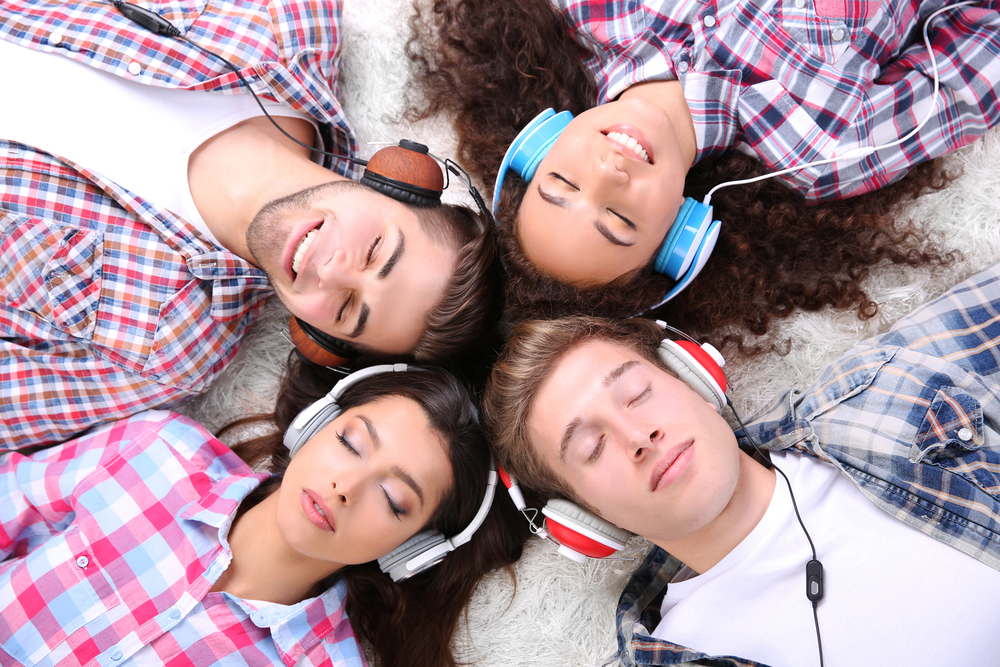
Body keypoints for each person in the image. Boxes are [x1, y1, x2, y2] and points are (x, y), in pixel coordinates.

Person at [0, 0, 500, 448]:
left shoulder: (163, 350)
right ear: (395, 177)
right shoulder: (285, 20)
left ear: (314, 337)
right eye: (374, 250)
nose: (331, 272)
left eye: (347, 309)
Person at [481, 262, 1000, 665]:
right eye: (592, 449)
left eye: (637, 394)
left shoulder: (881, 391)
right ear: (589, 522)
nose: (639, 435)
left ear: (698, 381)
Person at [411, 0, 998, 343]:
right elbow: (981, 51)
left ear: (541, 142)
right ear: (683, 231)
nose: (609, 173)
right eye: (618, 221)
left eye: (562, 184)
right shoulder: (826, 151)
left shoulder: (589, 11)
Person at [0, 360, 528, 667]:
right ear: (315, 423)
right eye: (350, 442)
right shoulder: (156, 453)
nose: (346, 487)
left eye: (393, 500)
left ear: (412, 550)